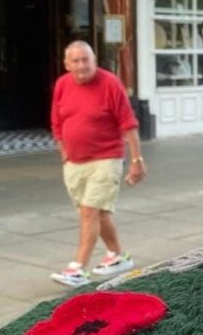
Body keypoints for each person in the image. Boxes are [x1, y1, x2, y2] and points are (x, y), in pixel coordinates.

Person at [50, 41, 146, 287]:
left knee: (89, 211)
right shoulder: (62, 85)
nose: (82, 66)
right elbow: (57, 124)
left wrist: (137, 160)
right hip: (74, 162)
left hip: (107, 157)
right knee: (98, 213)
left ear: (94, 60)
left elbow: (129, 124)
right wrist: (64, 154)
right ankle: (118, 256)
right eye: (76, 61)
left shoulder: (110, 83)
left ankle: (78, 268)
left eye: (86, 60)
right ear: (67, 64)